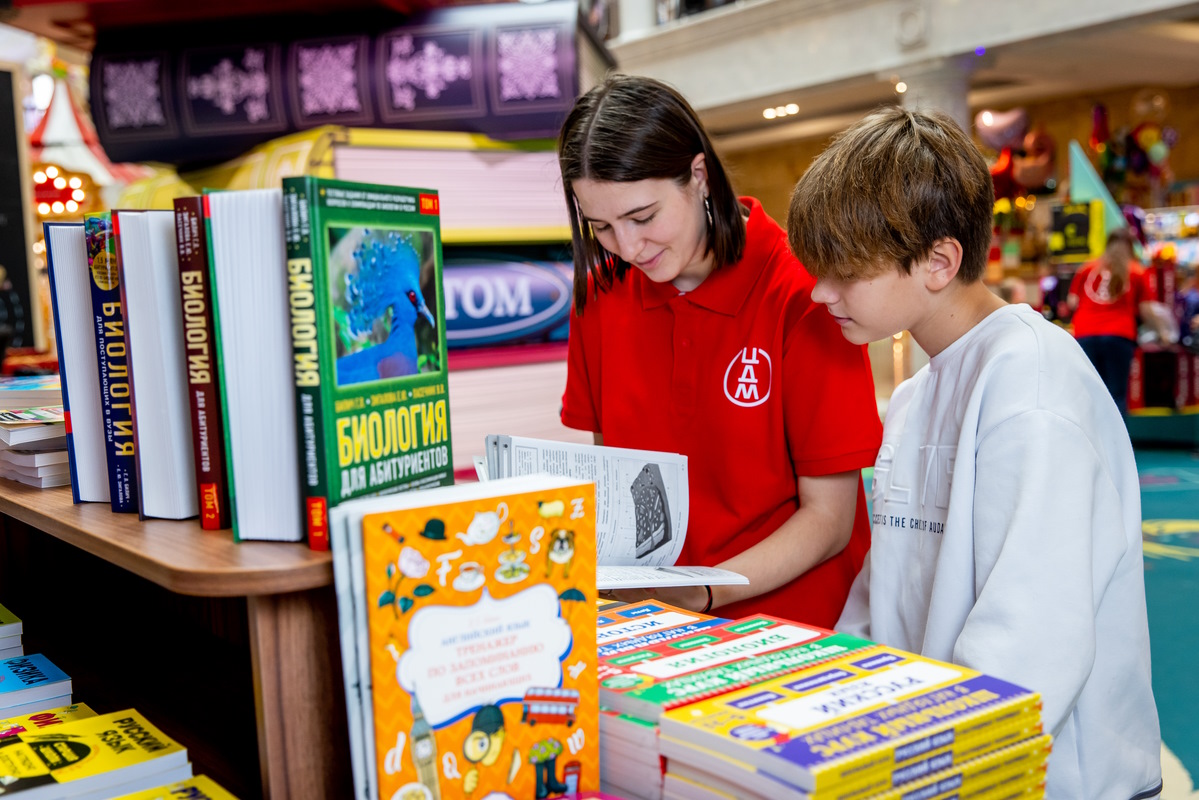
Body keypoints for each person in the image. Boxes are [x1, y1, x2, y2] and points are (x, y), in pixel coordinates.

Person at [787, 105, 1162, 800]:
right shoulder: (915, 394)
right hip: (935, 758)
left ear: (938, 261)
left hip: (1040, 779)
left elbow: (1028, 644)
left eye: (843, 273)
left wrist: (925, 767)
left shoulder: (1034, 388)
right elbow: (883, 601)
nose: (818, 292)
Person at [556, 74, 882, 625]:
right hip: (657, 626)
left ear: (699, 176)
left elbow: (829, 520)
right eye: (603, 227)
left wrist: (703, 594)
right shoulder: (603, 296)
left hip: (795, 631)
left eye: (643, 217)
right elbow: (614, 485)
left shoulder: (801, 294)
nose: (629, 247)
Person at [1066, 228, 1156, 416]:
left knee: (1089, 394)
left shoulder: (1087, 268)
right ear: (1131, 247)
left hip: (1085, 333)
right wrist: (1163, 332)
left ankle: (1089, 443)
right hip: (1119, 335)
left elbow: (1072, 302)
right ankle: (1117, 444)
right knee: (1116, 395)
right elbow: (1146, 309)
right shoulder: (1137, 271)